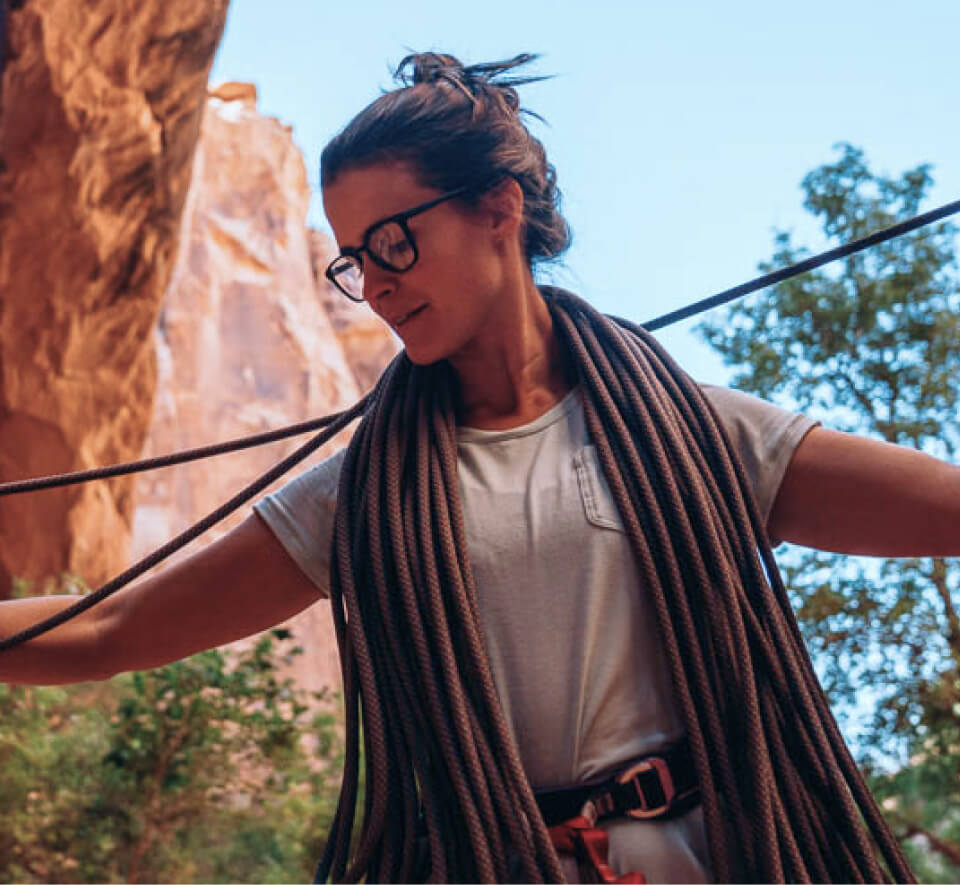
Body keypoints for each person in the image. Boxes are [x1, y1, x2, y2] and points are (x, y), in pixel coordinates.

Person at [1, 51, 957, 884]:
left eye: (393, 242)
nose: (373, 283)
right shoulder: (361, 497)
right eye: (352, 261)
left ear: (498, 208)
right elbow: (112, 624)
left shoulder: (698, 435)